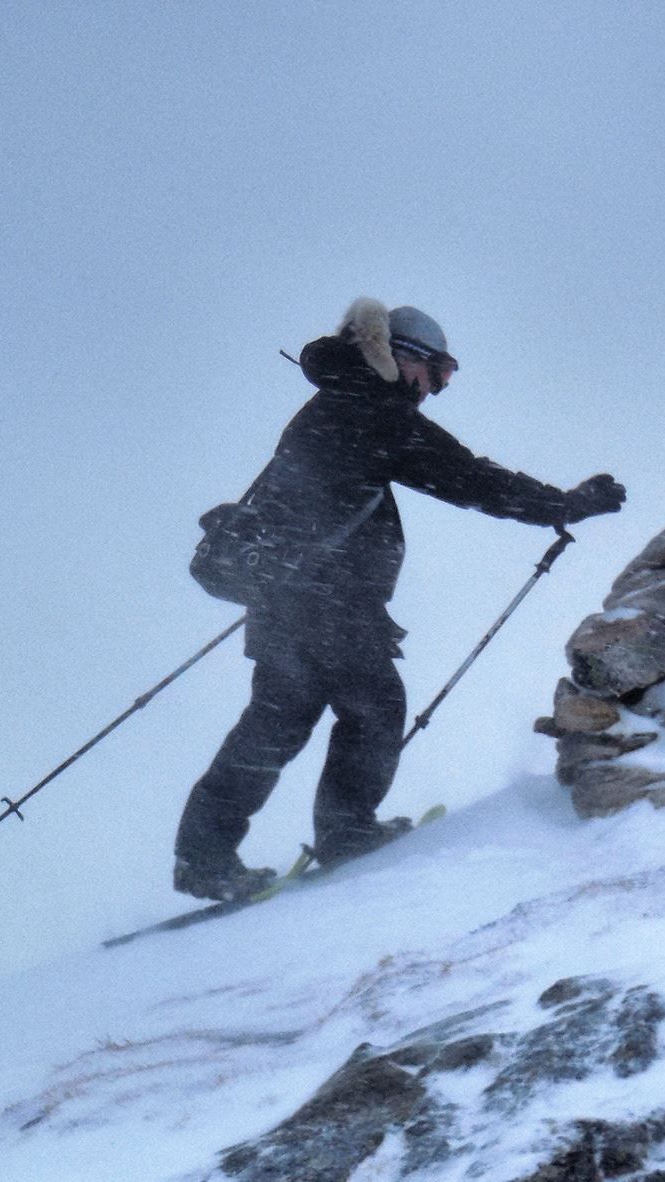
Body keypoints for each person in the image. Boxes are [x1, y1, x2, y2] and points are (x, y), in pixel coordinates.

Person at [174, 298, 626, 900]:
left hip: (287, 598)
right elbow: (467, 476)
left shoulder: (336, 401)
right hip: (327, 604)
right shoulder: (371, 410)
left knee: (277, 723)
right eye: (438, 373)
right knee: (375, 707)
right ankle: (344, 831)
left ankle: (204, 857)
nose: (435, 389)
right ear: (403, 356)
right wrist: (563, 506)